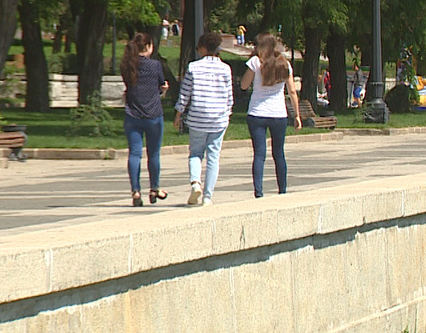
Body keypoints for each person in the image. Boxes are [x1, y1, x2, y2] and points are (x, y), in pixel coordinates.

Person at [174, 32, 233, 207]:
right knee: (213, 156)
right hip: (218, 119)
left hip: (198, 117)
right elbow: (229, 97)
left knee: (195, 153)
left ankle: (195, 183)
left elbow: (185, 93)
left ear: (204, 48)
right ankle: (208, 196)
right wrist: (227, 113)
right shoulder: (225, 69)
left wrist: (179, 113)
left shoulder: (193, 67)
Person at [241, 33, 302, 198]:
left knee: (259, 154)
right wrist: (296, 115)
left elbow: (244, 85)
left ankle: (259, 191)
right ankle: (282, 189)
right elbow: (292, 91)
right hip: (278, 113)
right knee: (279, 153)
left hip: (257, 112)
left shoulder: (255, 62)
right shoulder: (284, 64)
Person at [121, 32, 169, 207]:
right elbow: (161, 84)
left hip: (132, 114)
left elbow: (129, 86)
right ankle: (154, 188)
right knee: (153, 153)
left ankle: (135, 191)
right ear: (148, 46)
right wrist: (164, 89)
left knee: (134, 153)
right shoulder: (155, 65)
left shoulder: (128, 65)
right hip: (153, 114)